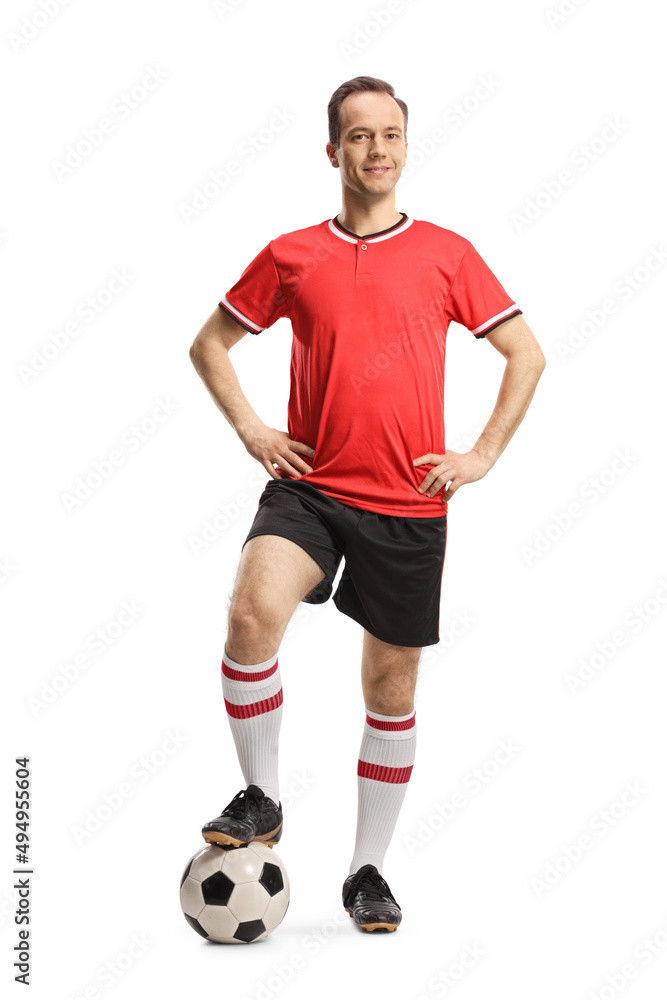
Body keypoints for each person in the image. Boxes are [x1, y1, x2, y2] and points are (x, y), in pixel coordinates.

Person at [189, 75, 546, 933]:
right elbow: (209, 343)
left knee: (389, 687)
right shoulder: (290, 255)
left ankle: (367, 872)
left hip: (407, 504)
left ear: (405, 147)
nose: (376, 150)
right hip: (308, 487)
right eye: (358, 136)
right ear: (332, 151)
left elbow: (524, 354)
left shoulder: (447, 255)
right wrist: (251, 429)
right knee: (250, 615)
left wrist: (481, 454)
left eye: (389, 135)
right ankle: (261, 799)